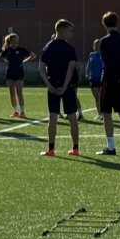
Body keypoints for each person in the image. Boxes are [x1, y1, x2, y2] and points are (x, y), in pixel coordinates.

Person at [39, 20, 80, 156]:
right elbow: (71, 68)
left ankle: (51, 149)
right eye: (70, 31)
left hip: (53, 86)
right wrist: (65, 86)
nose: (72, 34)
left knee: (53, 117)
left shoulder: (47, 47)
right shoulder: (69, 48)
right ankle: (75, 148)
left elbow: (41, 68)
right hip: (68, 87)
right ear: (62, 31)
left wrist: (49, 85)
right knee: (72, 117)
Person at [97, 12, 120, 155]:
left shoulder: (104, 41)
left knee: (106, 113)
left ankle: (111, 147)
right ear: (117, 23)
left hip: (108, 80)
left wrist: (117, 75)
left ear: (104, 24)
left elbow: (107, 62)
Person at [0, 33, 36, 118]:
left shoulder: (21, 49)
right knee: (12, 93)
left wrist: (23, 62)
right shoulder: (8, 50)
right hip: (9, 73)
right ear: (11, 41)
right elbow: (1, 57)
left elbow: (33, 56)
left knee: (19, 93)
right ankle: (15, 112)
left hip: (19, 73)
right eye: (14, 39)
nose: (16, 40)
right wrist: (8, 61)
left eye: (17, 39)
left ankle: (22, 112)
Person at [86, 39, 104, 120]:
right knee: (97, 97)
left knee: (101, 97)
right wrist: (87, 73)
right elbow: (88, 65)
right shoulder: (91, 54)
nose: (97, 46)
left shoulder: (104, 54)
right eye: (96, 45)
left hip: (102, 79)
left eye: (98, 45)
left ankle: (103, 113)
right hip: (93, 79)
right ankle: (100, 114)